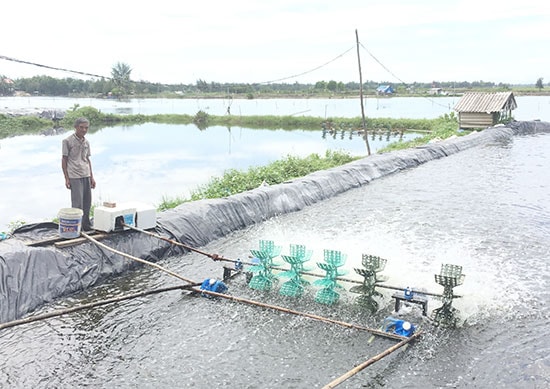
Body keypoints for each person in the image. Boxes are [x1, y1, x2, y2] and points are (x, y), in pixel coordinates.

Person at [61, 117, 96, 231]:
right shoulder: (67, 141)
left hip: (85, 173)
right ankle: (77, 227)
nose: (84, 130)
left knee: (87, 202)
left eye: (86, 128)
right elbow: (64, 160)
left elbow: (87, 159)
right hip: (74, 175)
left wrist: (92, 177)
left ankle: (86, 225)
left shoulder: (87, 142)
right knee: (77, 203)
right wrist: (66, 178)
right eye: (81, 127)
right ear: (75, 127)